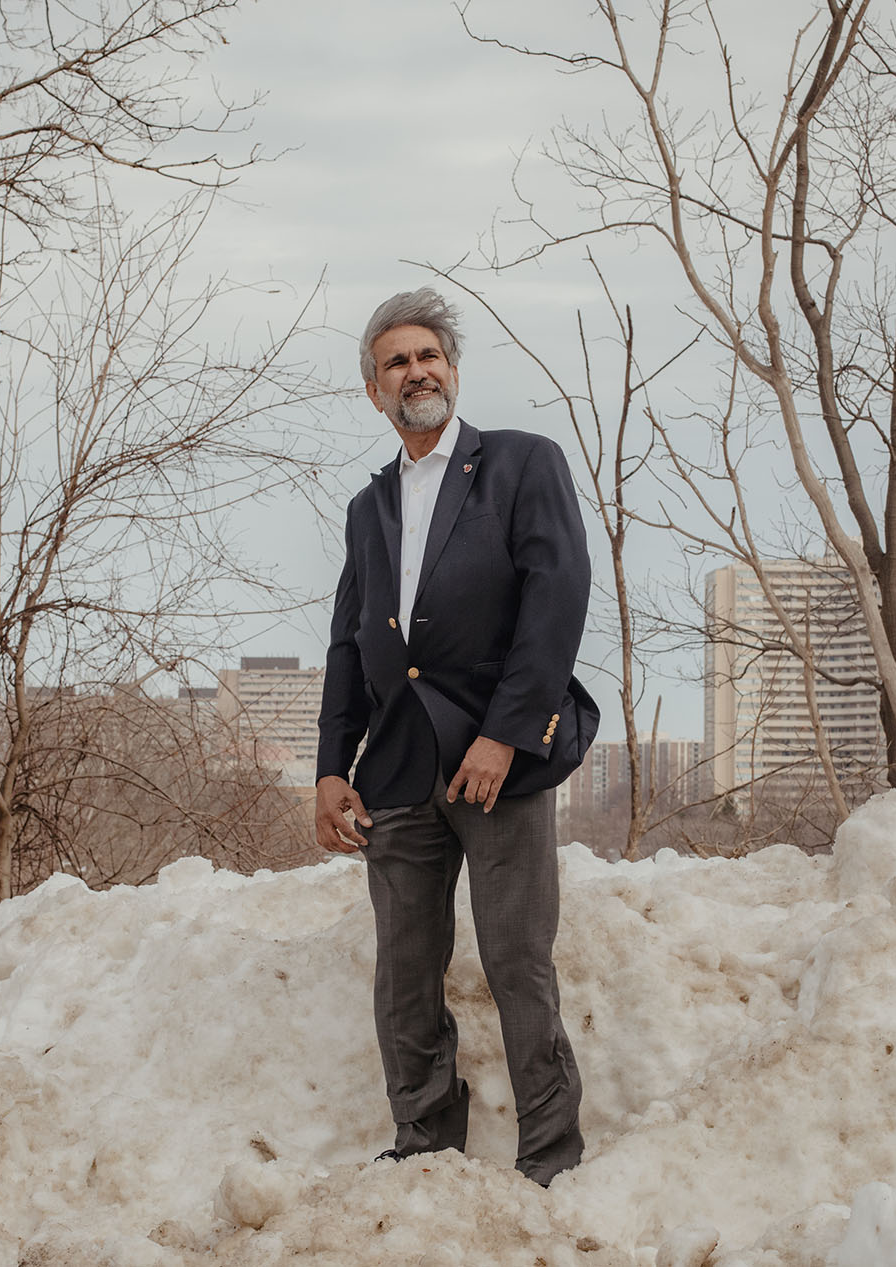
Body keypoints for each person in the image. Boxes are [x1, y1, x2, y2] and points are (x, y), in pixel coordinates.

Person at [314, 287, 599, 1186]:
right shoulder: (368, 509)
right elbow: (348, 643)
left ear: (454, 372)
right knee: (404, 973)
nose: (415, 371)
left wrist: (507, 734)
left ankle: (550, 1156)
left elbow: (557, 597)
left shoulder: (521, 463)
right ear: (375, 391)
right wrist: (330, 767)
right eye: (395, 362)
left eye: (428, 356)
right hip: (398, 768)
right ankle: (425, 1144)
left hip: (495, 765)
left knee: (518, 962)